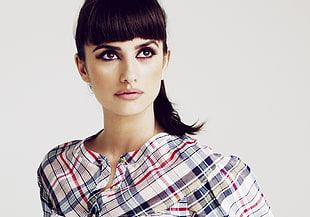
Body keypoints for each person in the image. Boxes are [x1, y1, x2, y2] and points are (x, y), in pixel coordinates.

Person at [37, 0, 274, 216]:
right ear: (83, 68)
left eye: (145, 53)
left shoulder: (209, 173)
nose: (129, 75)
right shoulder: (59, 169)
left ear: (164, 61)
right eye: (109, 55)